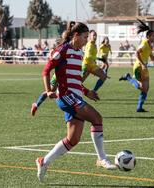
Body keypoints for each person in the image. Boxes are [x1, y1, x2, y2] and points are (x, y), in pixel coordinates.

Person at [35, 21, 116, 183]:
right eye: (85, 37)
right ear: (76, 35)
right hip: (66, 97)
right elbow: (46, 71)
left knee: (73, 140)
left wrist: (87, 92)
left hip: (76, 97)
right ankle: (101, 158)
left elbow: (75, 79)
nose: (87, 41)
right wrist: (49, 90)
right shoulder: (62, 50)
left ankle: (44, 161)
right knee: (97, 118)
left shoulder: (79, 53)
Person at [31, 30, 108, 116]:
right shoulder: (62, 49)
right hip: (61, 76)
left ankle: (73, 109)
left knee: (73, 87)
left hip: (82, 71)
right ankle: (37, 104)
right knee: (51, 91)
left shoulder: (78, 49)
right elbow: (47, 68)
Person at [119, 19, 154, 112]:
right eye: (153, 36)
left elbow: (152, 58)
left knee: (146, 89)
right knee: (141, 87)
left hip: (144, 67)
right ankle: (128, 78)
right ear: (148, 36)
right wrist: (142, 64)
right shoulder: (144, 43)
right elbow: (137, 53)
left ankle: (139, 108)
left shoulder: (150, 45)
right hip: (139, 67)